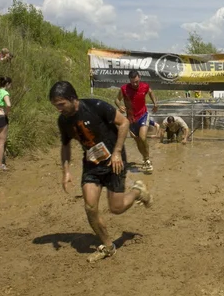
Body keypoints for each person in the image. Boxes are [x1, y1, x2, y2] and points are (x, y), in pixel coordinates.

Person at [49, 81, 152, 263]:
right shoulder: (63, 121)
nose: (58, 109)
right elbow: (65, 146)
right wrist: (65, 172)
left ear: (72, 99)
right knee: (90, 207)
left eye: (61, 104)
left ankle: (137, 191)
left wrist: (118, 152)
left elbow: (124, 123)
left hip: (115, 160)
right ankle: (108, 247)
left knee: (116, 208)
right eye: (55, 105)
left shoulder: (96, 106)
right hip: (92, 163)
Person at [115, 70, 158, 173]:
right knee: (138, 141)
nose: (135, 84)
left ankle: (147, 159)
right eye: (133, 82)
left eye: (137, 82)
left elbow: (151, 92)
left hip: (143, 115)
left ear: (140, 78)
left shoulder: (145, 86)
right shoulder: (124, 89)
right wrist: (119, 106)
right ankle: (144, 159)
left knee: (143, 137)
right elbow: (117, 99)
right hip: (131, 119)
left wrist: (155, 103)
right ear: (129, 80)